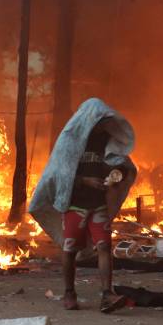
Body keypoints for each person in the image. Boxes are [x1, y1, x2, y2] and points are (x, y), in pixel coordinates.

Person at [29, 98, 137, 313]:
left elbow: (118, 163)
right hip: (75, 205)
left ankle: (107, 294)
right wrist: (85, 181)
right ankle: (69, 292)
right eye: (100, 121)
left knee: (105, 246)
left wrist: (117, 174)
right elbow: (61, 172)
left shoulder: (107, 139)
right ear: (90, 120)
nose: (103, 126)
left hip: (98, 204)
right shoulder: (72, 140)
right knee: (70, 249)